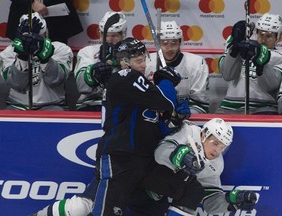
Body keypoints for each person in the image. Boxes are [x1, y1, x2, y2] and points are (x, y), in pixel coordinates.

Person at [31, 38, 202, 216]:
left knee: (191, 189)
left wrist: (173, 120)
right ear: (123, 63)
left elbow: (151, 127)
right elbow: (164, 100)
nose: (143, 65)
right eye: (138, 61)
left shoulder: (140, 88)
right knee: (93, 208)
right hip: (121, 159)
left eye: (144, 59)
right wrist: (165, 79)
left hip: (145, 162)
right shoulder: (125, 77)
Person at [0, 12, 73, 110]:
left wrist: (44, 55)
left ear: (46, 34)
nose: (32, 40)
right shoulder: (8, 52)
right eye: (27, 37)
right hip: (17, 106)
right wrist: (22, 56)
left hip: (52, 106)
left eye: (38, 36)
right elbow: (17, 84)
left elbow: (55, 80)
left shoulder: (61, 49)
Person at [217, 13, 282, 114]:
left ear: (278, 37)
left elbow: (271, 86)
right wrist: (235, 49)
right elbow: (227, 75)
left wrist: (262, 64)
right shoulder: (244, 47)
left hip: (263, 109)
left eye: (269, 36)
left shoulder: (279, 56)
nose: (264, 40)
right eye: (261, 34)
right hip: (228, 108)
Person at [145, 20, 209, 114]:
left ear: (180, 43)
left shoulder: (197, 64)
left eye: (174, 43)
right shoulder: (146, 62)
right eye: (165, 43)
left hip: (186, 121)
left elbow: (201, 105)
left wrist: (182, 115)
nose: (169, 48)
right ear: (158, 44)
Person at [74, 11, 127, 111]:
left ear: (123, 35)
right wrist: (93, 72)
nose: (109, 40)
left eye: (114, 36)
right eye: (105, 35)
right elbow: (81, 86)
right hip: (90, 104)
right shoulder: (88, 51)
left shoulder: (131, 53)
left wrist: (118, 65)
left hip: (121, 105)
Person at [6, 0, 83, 44]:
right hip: (23, 15)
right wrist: (32, 2)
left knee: (57, 62)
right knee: (23, 64)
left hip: (58, 19)